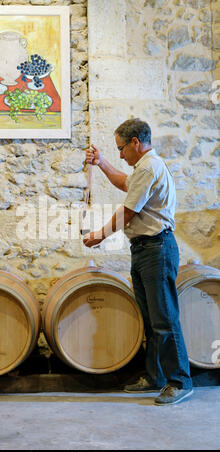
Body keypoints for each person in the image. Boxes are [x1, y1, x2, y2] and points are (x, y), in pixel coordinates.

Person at [83, 118, 193, 405]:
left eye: (120, 149)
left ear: (136, 142)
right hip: (145, 249)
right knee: (151, 317)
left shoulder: (149, 167)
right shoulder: (142, 169)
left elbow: (128, 211)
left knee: (165, 318)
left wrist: (100, 236)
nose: (120, 154)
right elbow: (124, 184)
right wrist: (102, 162)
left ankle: (180, 381)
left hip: (157, 249)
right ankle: (155, 376)